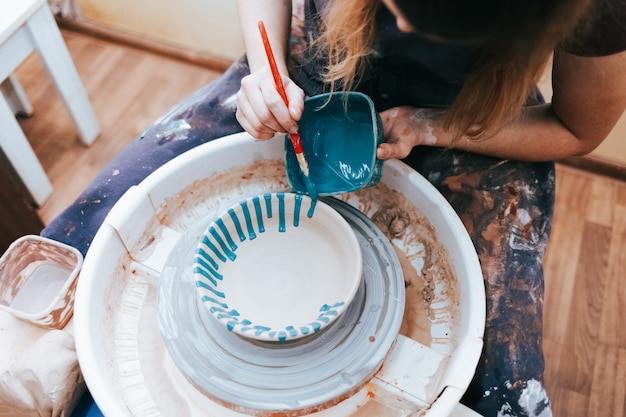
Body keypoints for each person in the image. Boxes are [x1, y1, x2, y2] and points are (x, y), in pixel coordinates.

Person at [41, 0, 626, 415]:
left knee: (499, 391)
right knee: (86, 234)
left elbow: (577, 128)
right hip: (315, 56)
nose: (399, 20)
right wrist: (266, 71)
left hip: (475, 107)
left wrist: (434, 125)